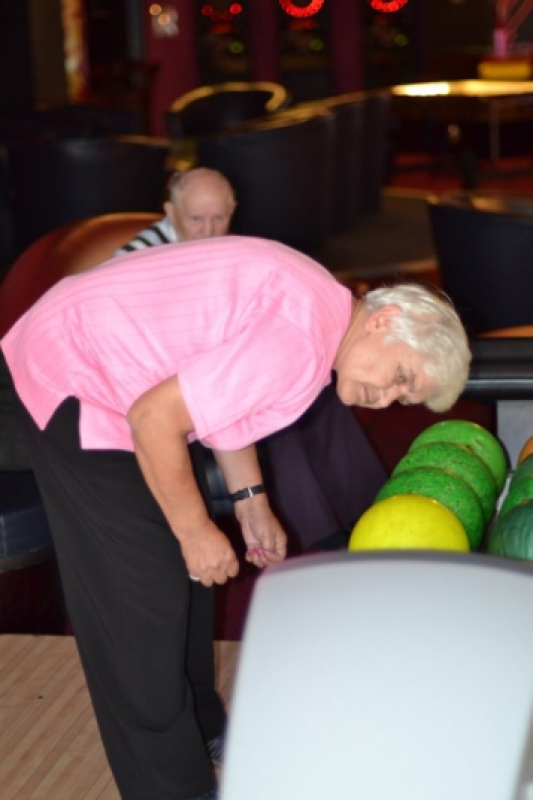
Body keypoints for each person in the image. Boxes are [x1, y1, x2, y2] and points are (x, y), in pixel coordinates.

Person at [2, 234, 470, 800]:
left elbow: (224, 406)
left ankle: (202, 725)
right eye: (402, 376)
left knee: (186, 575)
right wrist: (196, 531)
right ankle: (172, 786)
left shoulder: (320, 316)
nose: (387, 399)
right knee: (142, 595)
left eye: (403, 398)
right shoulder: (303, 340)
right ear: (384, 320)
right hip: (72, 371)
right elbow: (155, 419)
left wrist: (251, 503)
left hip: (112, 375)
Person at [116, 167, 388, 552]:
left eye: (219, 218)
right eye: (196, 219)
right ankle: (318, 540)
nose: (209, 230)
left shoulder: (230, 248)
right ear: (170, 213)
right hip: (172, 391)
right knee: (283, 404)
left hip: (222, 372)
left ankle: (374, 511)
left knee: (323, 391)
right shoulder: (137, 256)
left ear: (232, 211)